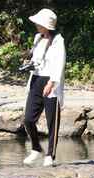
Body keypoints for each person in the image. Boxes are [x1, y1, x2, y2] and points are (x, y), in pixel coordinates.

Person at [22, 9, 66, 167]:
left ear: (47, 25)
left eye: (39, 23)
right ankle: (36, 148)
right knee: (28, 119)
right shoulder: (37, 38)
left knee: (52, 121)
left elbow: (59, 63)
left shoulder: (58, 40)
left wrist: (52, 83)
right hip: (36, 79)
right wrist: (27, 60)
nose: (36, 25)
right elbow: (36, 59)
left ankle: (50, 155)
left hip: (50, 82)